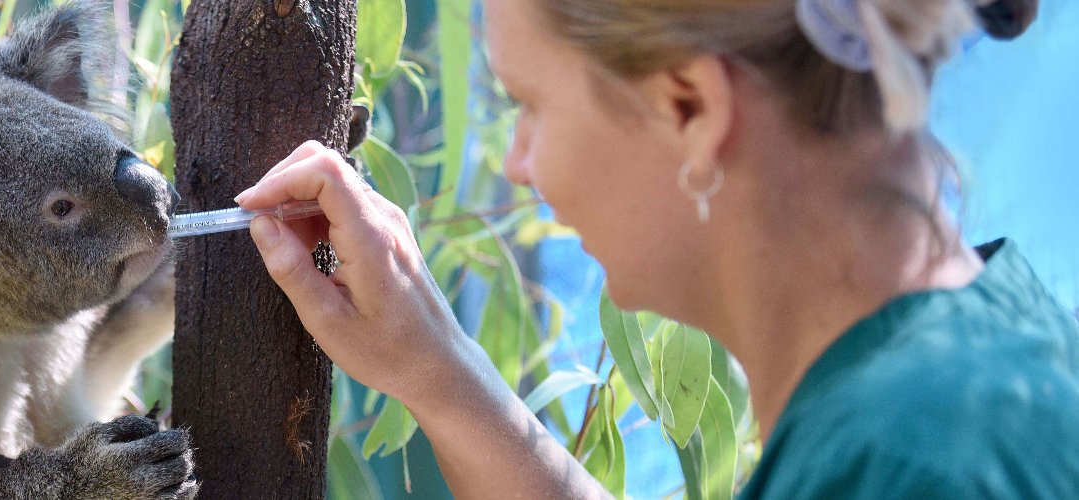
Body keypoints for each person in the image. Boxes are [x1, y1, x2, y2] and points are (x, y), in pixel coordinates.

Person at [234, 0, 1077, 498]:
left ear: (689, 110)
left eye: (529, 106)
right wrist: (434, 368)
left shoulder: (913, 464)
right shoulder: (968, 365)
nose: (518, 165)